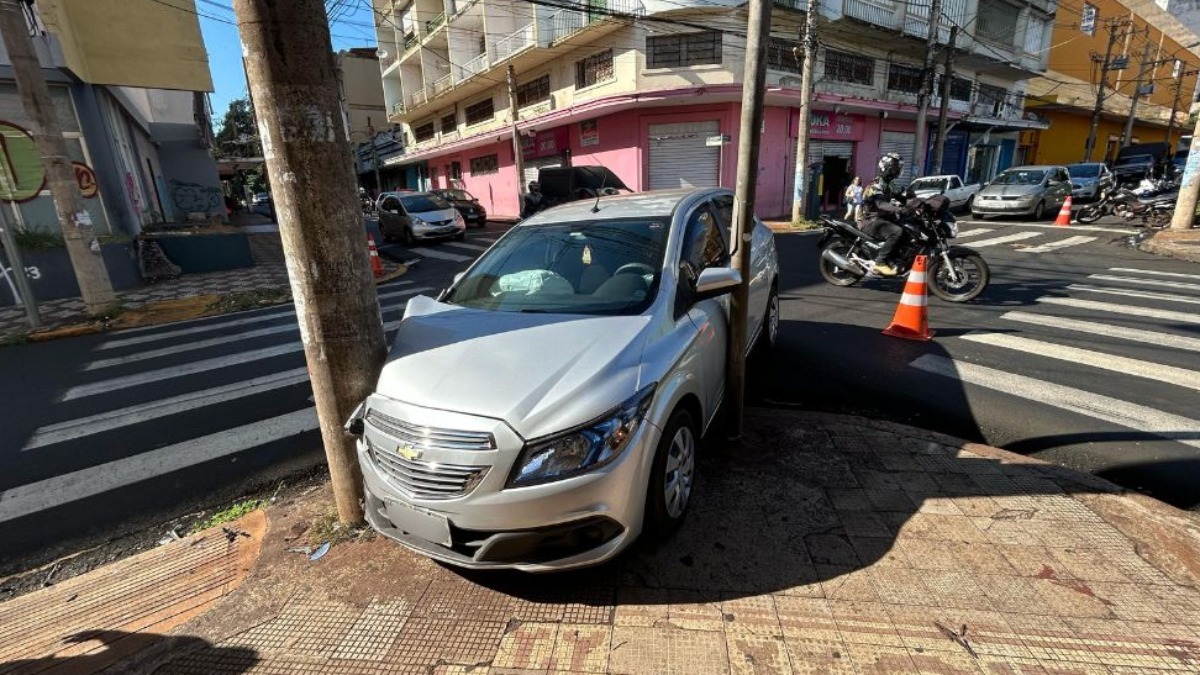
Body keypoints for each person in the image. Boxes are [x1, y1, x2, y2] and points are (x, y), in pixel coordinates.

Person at [861, 153, 906, 277]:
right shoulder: (875, 185)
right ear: (886, 167)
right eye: (895, 167)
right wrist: (898, 209)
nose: (897, 170)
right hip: (871, 221)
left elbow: (902, 198)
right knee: (896, 232)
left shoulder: (890, 184)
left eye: (898, 167)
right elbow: (881, 204)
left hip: (883, 218)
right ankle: (880, 262)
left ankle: (896, 258)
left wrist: (917, 203)